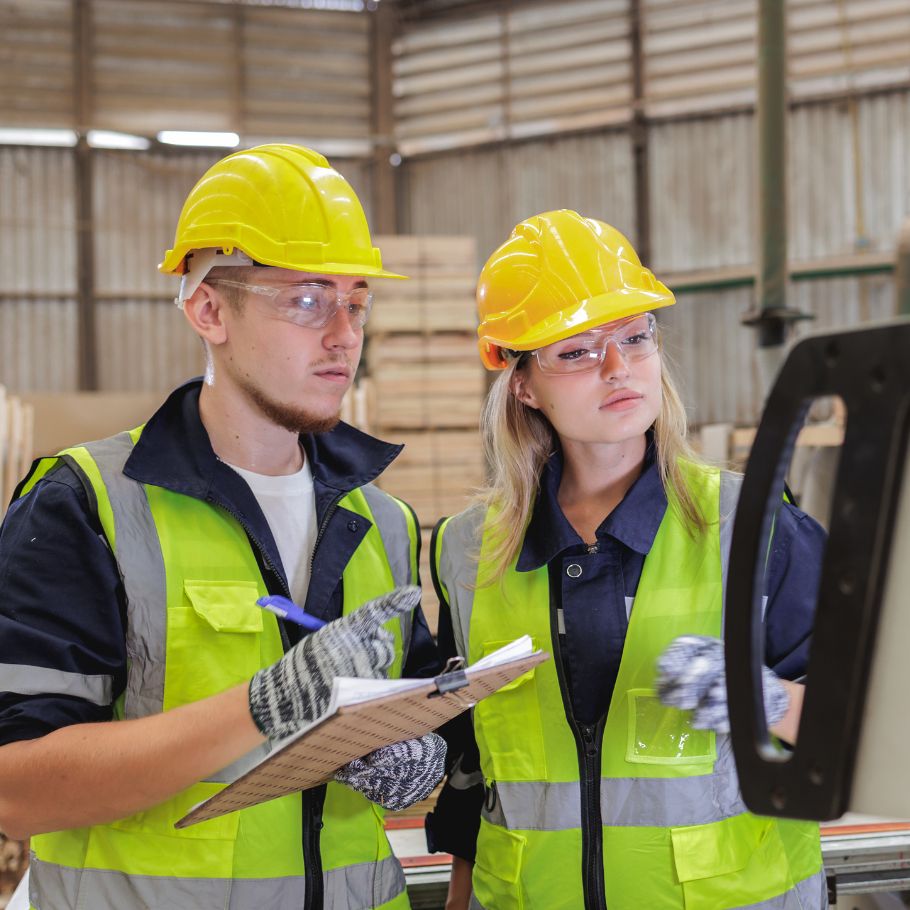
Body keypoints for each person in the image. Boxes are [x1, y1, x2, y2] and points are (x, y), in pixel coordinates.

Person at [0, 144, 445, 910]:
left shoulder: (385, 522)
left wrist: (419, 758)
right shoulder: (89, 504)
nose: (344, 334)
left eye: (357, 300)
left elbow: (419, 724)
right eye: (307, 299)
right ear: (209, 310)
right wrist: (262, 707)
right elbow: (19, 791)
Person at [426, 210, 828, 909]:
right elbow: (473, 763)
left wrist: (771, 702)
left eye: (635, 338)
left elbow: (870, 729)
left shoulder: (755, 525)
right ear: (523, 383)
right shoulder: (467, 550)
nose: (618, 368)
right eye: (578, 352)